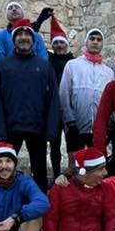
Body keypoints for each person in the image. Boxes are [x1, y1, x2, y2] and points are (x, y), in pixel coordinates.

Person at [0, 19, 61, 193]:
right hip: (9, 129)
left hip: (38, 129)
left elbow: (53, 100)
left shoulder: (44, 66)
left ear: (33, 39)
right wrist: (0, 130)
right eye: (19, 34)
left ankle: (40, 211)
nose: (23, 38)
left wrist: (51, 130)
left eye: (27, 34)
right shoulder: (1, 66)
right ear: (14, 39)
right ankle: (1, 206)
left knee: (40, 173)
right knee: (4, 170)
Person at [59, 27, 111, 156]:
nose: (95, 42)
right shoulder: (72, 65)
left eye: (98, 40)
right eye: (92, 39)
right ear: (86, 42)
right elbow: (64, 94)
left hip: (98, 130)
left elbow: (111, 101)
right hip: (75, 127)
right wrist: (70, 122)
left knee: (96, 166)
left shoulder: (108, 72)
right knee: (76, 166)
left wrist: (109, 127)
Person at [47, 15, 74, 177]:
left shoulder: (74, 61)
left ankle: (74, 174)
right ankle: (56, 174)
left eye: (61, 43)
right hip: (53, 109)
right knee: (54, 143)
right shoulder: (48, 60)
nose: (58, 46)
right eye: (55, 43)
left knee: (73, 144)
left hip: (70, 108)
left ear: (66, 45)